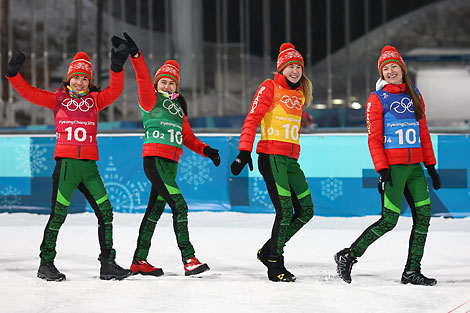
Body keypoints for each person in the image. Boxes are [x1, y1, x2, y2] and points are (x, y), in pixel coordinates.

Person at [5, 43, 133, 281]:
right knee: (59, 214)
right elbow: (30, 93)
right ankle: (46, 263)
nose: (80, 83)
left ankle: (107, 263)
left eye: (85, 79)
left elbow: (115, 92)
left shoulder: (95, 101)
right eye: (76, 78)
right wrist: (13, 75)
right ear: (68, 79)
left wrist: (117, 67)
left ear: (89, 81)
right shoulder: (58, 99)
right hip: (66, 166)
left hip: (89, 168)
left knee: (106, 212)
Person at [112, 33, 220, 277]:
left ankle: (139, 261)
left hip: (171, 165)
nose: (167, 86)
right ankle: (189, 258)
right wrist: (136, 56)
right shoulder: (150, 100)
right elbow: (141, 77)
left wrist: (208, 151)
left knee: (154, 212)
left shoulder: (178, 108)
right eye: (163, 82)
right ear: (157, 84)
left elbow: (188, 138)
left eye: (172, 83)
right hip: (155, 161)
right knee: (180, 206)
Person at [334, 45, 441, 286]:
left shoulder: (415, 95)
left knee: (423, 216)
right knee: (389, 221)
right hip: (393, 170)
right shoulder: (377, 99)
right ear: (381, 74)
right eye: (385, 68)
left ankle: (412, 271)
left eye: (394, 66)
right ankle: (348, 255)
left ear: (402, 69)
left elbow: (423, 132)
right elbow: (373, 138)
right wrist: (382, 169)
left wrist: (431, 166)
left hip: (415, 169)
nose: (390, 71)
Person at [230, 43, 314, 282]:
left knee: (306, 211)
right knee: (285, 210)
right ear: (281, 68)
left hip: (290, 161)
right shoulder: (270, 87)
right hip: (271, 157)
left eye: (298, 66)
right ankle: (275, 263)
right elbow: (252, 119)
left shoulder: (299, 94)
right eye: (290, 66)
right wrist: (244, 151)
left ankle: (268, 250)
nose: (295, 70)